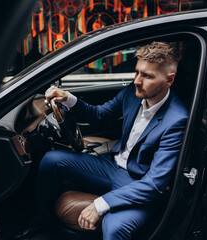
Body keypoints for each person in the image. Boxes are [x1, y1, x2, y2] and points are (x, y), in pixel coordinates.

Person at [15, 41, 189, 240]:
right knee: (51, 160)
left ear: (169, 80)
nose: (137, 81)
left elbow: (154, 184)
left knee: (114, 228)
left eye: (147, 76)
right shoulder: (133, 94)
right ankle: (40, 227)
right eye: (137, 72)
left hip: (139, 184)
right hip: (112, 167)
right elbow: (99, 115)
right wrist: (67, 98)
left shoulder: (177, 120)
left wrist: (100, 204)